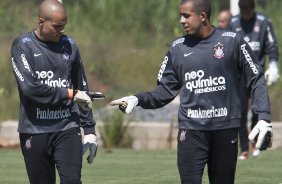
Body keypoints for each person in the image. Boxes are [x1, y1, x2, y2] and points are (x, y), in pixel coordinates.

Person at [110, 0, 273, 183]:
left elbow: (256, 77)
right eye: (180, 15)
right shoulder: (177, 48)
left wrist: (263, 117)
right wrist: (137, 99)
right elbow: (164, 92)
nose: (181, 20)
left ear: (202, 16)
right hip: (191, 132)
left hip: (225, 129)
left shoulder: (232, 41)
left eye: (186, 15)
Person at [10, 0, 98, 183]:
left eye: (64, 26)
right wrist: (69, 94)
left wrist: (89, 129)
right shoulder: (22, 46)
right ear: (41, 21)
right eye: (57, 26)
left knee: (72, 181)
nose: (62, 31)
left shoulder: (70, 45)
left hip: (67, 127)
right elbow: (30, 89)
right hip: (35, 130)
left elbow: (81, 87)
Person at [228, 0, 279, 160]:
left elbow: (271, 45)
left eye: (248, 10)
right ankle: (243, 149)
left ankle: (255, 143)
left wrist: (274, 64)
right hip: (239, 75)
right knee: (241, 112)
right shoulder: (234, 22)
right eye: (242, 10)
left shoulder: (264, 22)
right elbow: (227, 45)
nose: (245, 14)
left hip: (257, 74)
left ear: (253, 9)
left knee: (258, 109)